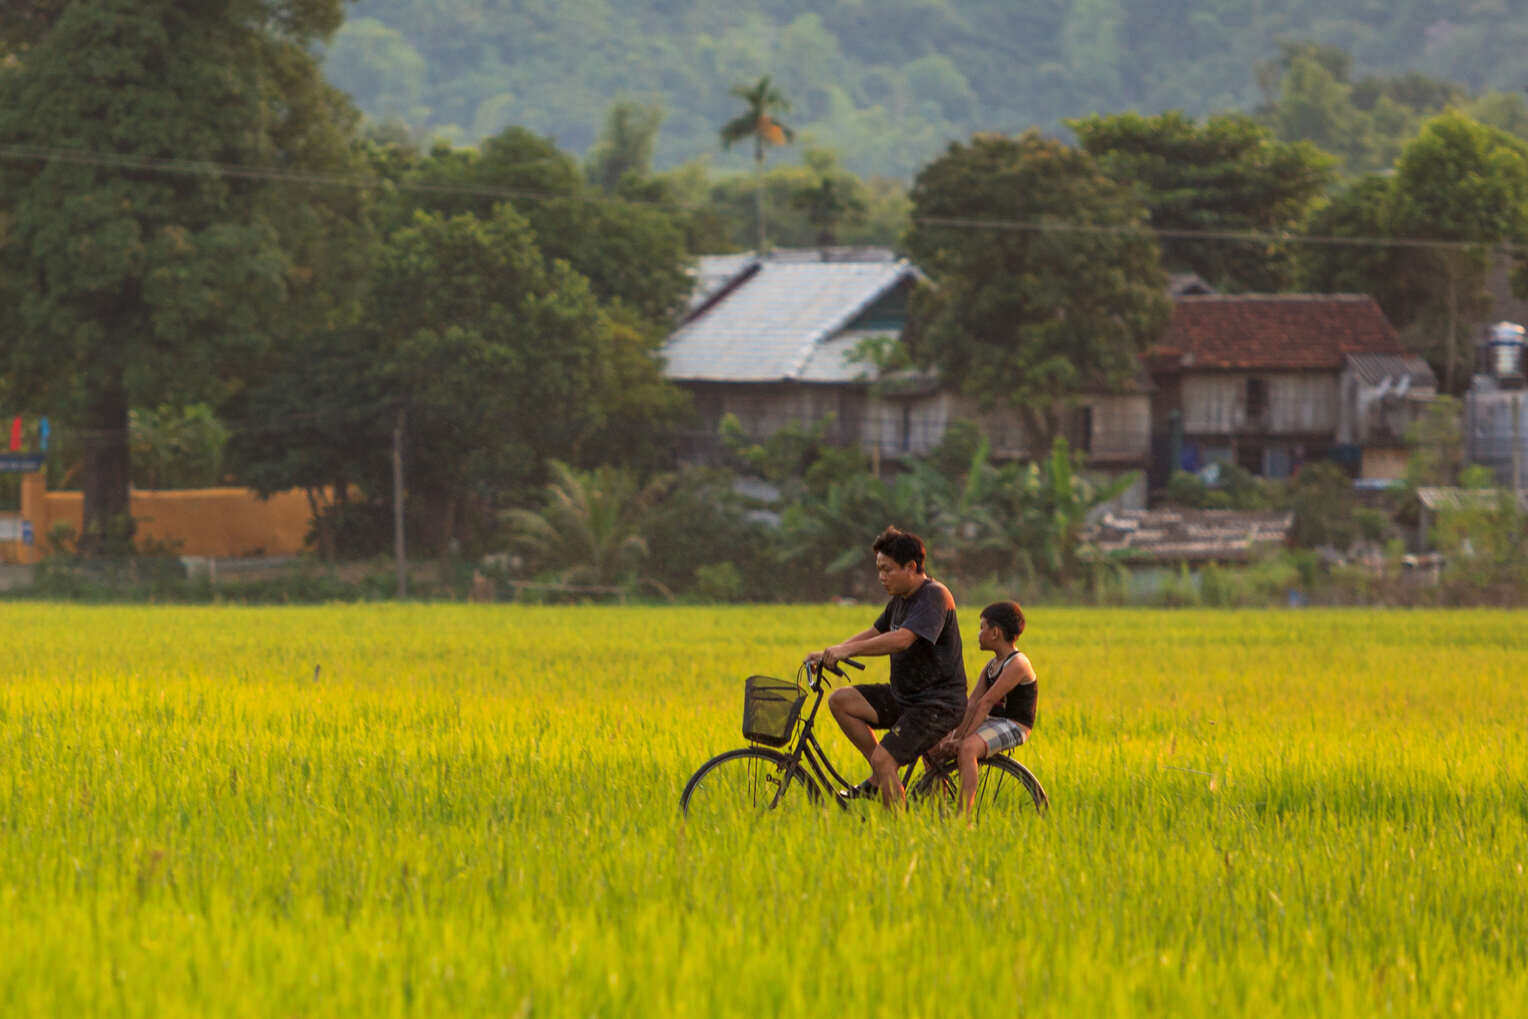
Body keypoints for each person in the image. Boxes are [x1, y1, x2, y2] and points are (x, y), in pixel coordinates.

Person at [807, 526, 967, 807]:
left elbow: (902, 639)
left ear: (912, 567)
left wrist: (847, 650)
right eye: (879, 569)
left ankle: (897, 829)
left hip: (936, 704)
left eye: (888, 569)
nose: (881, 577)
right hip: (904, 697)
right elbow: (876, 631)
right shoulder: (900, 601)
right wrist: (829, 653)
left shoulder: (934, 596)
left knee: (884, 758)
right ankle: (882, 775)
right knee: (842, 701)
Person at [930, 600, 1036, 815]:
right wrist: (953, 737)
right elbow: (971, 703)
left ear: (995, 632)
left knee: (968, 748)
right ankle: (939, 811)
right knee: (933, 743)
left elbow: (985, 703)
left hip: (1014, 725)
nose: (979, 634)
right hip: (990, 722)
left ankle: (963, 819)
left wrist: (961, 740)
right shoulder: (991, 666)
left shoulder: (1018, 663)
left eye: (982, 628)